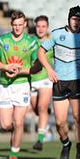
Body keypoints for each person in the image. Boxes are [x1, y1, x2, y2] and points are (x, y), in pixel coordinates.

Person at [38, 6, 80, 159]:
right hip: (59, 82)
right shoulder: (56, 34)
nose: (76, 22)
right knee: (60, 123)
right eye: (74, 19)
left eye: (79, 19)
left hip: (77, 82)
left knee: (78, 117)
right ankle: (66, 143)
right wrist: (49, 69)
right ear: (69, 19)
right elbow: (41, 52)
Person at [0, 10, 39, 159]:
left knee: (18, 122)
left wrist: (19, 71)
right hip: (5, 86)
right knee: (6, 125)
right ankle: (16, 134)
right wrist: (6, 67)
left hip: (22, 85)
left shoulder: (31, 42)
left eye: (20, 25)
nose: (18, 28)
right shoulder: (1, 40)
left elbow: (36, 67)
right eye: (15, 25)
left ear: (25, 24)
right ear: (11, 25)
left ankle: (14, 153)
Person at [30, 15, 53, 151]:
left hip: (46, 79)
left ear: (47, 27)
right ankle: (45, 125)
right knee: (35, 108)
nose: (40, 29)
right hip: (32, 79)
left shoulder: (51, 42)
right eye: (38, 26)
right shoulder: (31, 41)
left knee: (42, 106)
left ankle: (40, 140)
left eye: (43, 26)